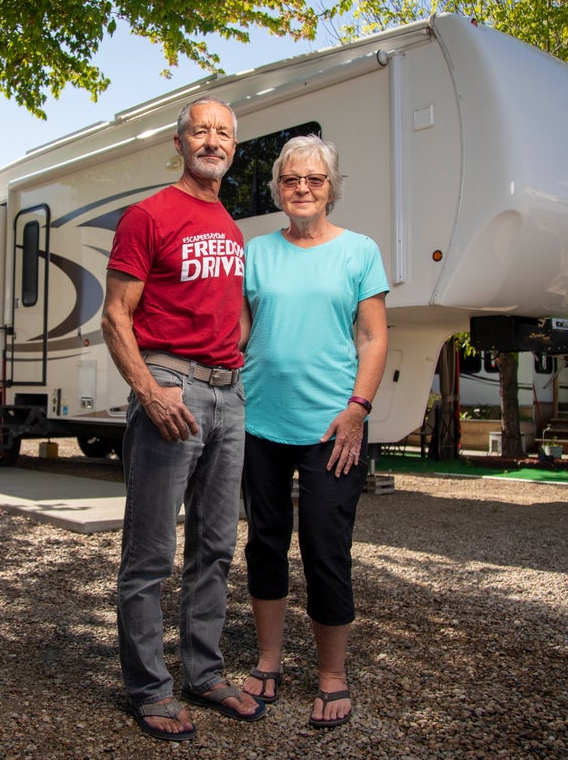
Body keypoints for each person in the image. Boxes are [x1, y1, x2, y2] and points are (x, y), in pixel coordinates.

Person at [101, 95, 264, 741]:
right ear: (180, 141)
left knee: (217, 546)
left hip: (229, 395)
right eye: (202, 130)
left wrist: (235, 363)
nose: (213, 141)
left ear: (232, 146)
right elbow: (115, 314)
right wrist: (150, 389)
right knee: (149, 554)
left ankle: (203, 670)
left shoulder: (229, 223)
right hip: (172, 388)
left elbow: (231, 308)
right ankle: (148, 688)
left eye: (224, 133)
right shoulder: (147, 215)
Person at [237, 134, 388, 729]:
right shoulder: (256, 252)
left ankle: (331, 675)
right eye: (291, 179)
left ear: (331, 189)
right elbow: (242, 332)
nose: (302, 188)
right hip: (260, 421)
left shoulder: (359, 251)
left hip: (333, 426)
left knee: (326, 547)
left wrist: (359, 407)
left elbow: (373, 338)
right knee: (265, 542)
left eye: (314, 180)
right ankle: (269, 660)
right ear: (278, 189)